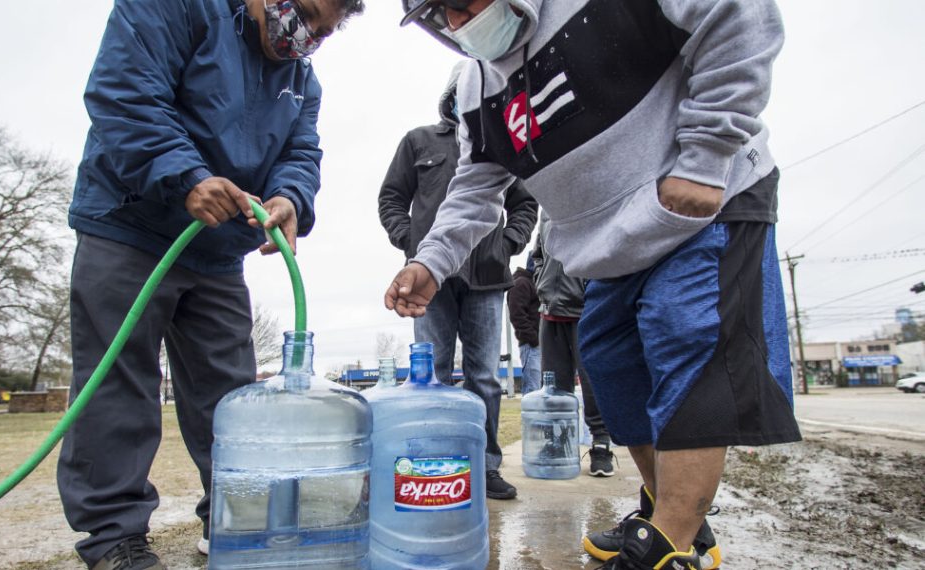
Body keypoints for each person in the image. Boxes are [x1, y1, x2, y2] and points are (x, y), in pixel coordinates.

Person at [384, 1, 801, 569]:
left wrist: (706, 155)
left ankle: (672, 542)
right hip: (612, 247)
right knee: (608, 365)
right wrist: (430, 262)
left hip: (703, 206)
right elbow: (474, 191)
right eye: (441, 17)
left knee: (690, 345)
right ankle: (669, 511)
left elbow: (737, 14)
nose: (457, 25)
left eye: (463, 4)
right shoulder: (475, 89)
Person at [59, 0, 364, 568]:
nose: (308, 38)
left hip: (220, 250)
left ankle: (234, 517)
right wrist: (185, 177)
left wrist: (290, 195)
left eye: (325, 31)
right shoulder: (173, 7)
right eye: (308, 14)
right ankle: (113, 537)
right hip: (131, 224)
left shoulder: (302, 80)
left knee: (232, 396)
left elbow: (302, 151)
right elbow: (124, 93)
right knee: (118, 385)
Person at [378, 61, 537, 501]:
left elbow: (526, 204)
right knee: (431, 374)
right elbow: (391, 197)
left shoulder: (500, 138)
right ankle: (434, 467)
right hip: (430, 279)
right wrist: (410, 240)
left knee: (484, 377)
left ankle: (485, 467)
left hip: (487, 278)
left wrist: (507, 243)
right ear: (450, 97)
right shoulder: (418, 141)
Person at [529, 218, 614, 477]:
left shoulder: (585, 201)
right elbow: (538, 255)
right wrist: (540, 281)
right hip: (550, 312)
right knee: (553, 388)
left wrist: (590, 288)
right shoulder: (545, 213)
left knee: (592, 384)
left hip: (584, 311)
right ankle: (558, 444)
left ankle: (601, 446)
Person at [506, 254, 541, 394]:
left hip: (538, 344)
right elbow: (517, 315)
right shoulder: (522, 283)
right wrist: (533, 339)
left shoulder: (535, 283)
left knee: (541, 390)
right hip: (532, 345)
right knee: (533, 390)